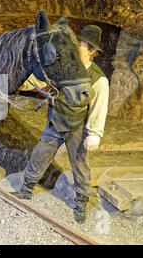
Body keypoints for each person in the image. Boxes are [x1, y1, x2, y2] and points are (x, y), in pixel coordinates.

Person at [12, 25, 109, 224]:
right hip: (56, 121)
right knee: (40, 154)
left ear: (91, 50)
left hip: (77, 128)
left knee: (79, 164)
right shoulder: (65, 65)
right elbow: (43, 82)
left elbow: (99, 107)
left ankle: (81, 201)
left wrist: (94, 133)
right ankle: (27, 188)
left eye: (79, 44)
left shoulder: (98, 79)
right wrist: (20, 83)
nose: (73, 47)